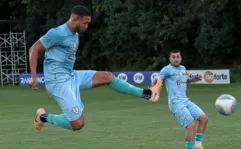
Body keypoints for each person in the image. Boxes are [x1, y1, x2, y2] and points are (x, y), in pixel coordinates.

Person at [29, 5, 162, 131]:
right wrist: (34, 76)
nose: (87, 26)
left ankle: (148, 94)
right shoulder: (57, 33)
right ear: (74, 19)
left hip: (70, 76)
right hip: (58, 82)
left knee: (107, 76)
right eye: (85, 23)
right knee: (77, 124)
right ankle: (42, 117)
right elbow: (34, 49)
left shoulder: (74, 34)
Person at [152, 50, 208, 149]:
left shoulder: (183, 68)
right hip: (176, 103)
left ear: (181, 58)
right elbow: (157, 79)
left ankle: (198, 146)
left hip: (185, 100)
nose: (176, 59)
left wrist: (191, 80)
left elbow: (182, 81)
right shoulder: (166, 69)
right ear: (170, 59)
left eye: (178, 57)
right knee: (191, 126)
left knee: (204, 119)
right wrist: (155, 87)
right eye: (173, 57)